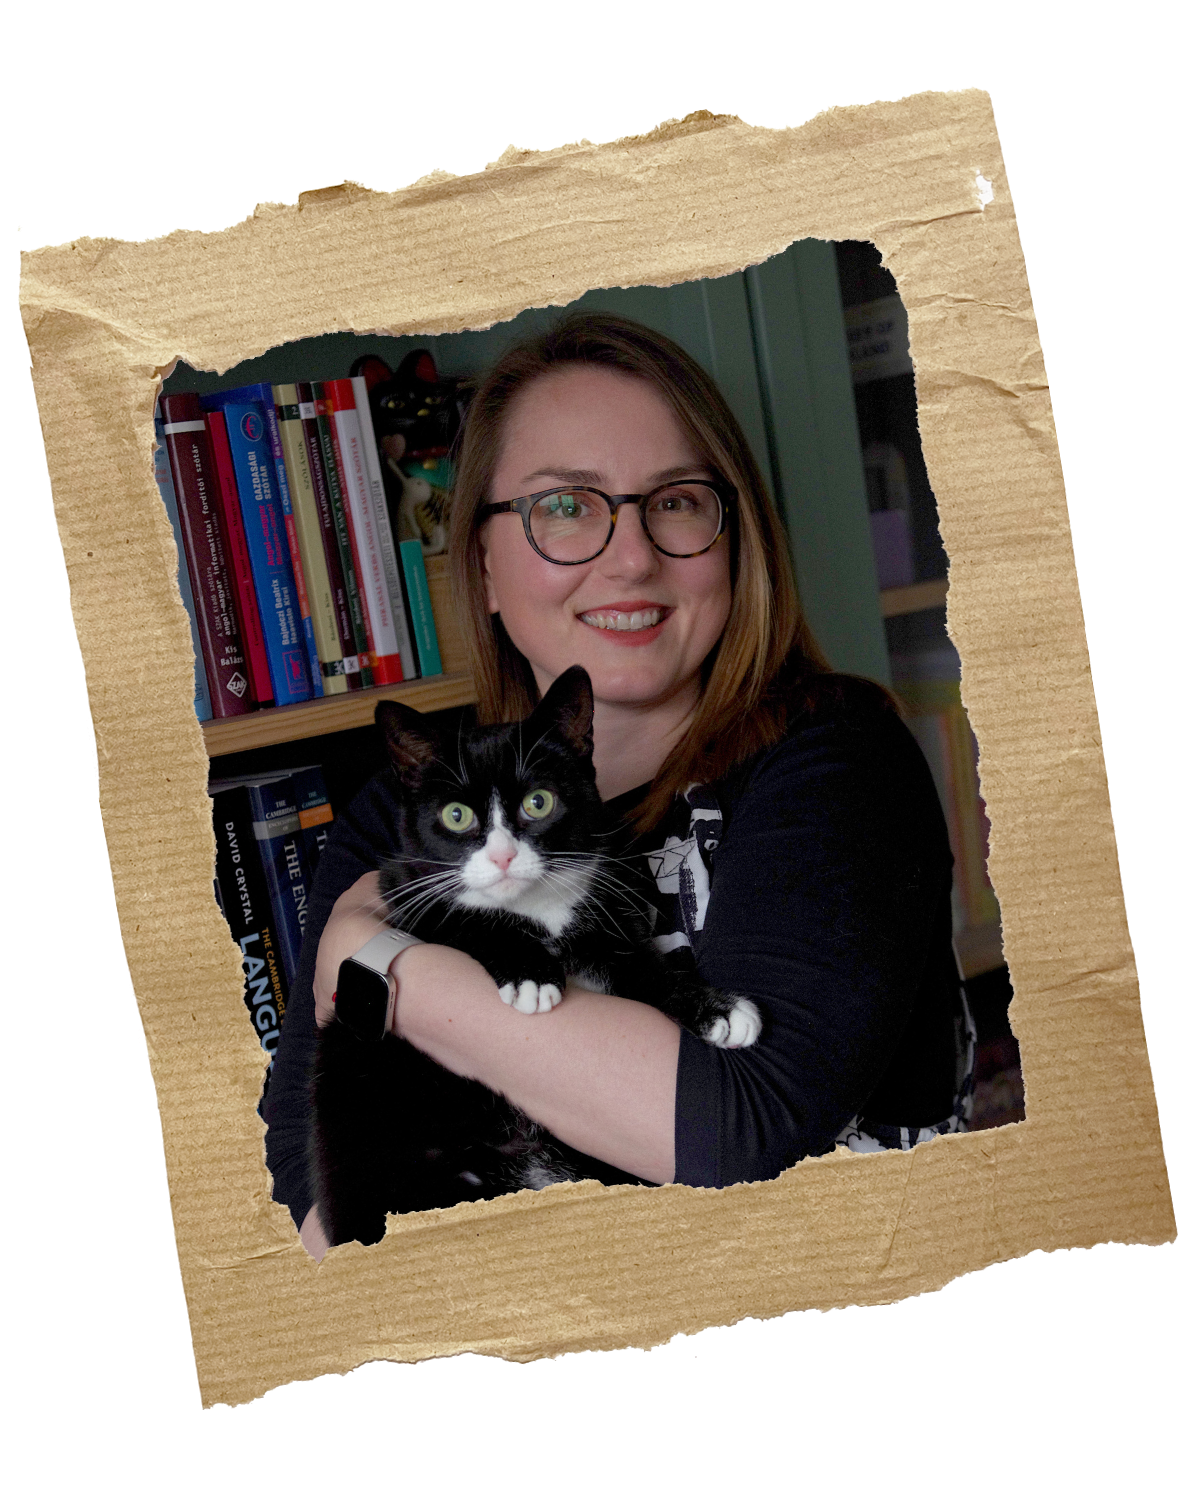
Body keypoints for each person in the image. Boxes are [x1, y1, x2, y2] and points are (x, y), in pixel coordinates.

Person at [261, 313, 973, 1263]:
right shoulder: (419, 803)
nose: (631, 556)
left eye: (675, 501)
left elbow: (739, 1128)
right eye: (564, 506)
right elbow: (304, 1159)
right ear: (483, 565)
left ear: (736, 538)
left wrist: (382, 963)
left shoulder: (839, 759)